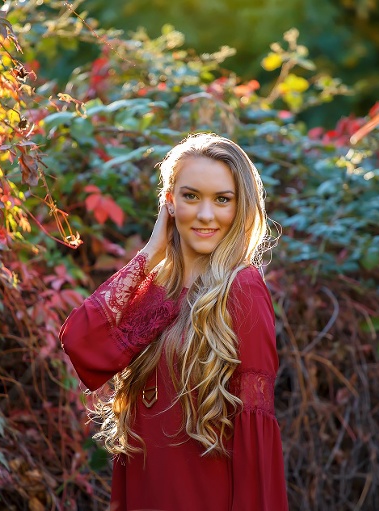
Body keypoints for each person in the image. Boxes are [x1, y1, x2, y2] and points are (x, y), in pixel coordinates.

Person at [59, 133, 288, 511]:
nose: (206, 215)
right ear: (169, 202)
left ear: (241, 207)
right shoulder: (157, 291)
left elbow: (254, 432)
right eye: (191, 196)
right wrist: (151, 252)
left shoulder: (242, 288)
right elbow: (80, 342)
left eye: (223, 199)